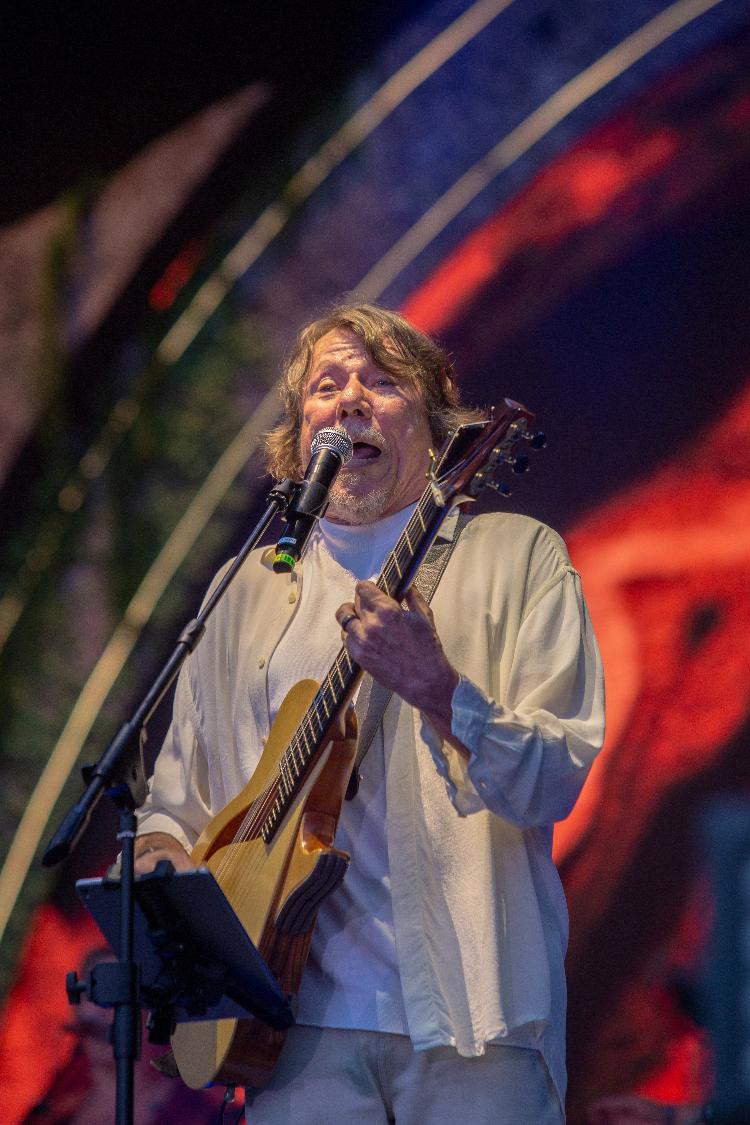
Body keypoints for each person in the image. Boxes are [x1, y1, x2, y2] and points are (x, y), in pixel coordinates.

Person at [133, 302, 605, 1124]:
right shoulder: (243, 591)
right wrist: (167, 886)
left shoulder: (519, 557)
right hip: (289, 1027)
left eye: (382, 382)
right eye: (327, 384)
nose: (351, 399)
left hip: (472, 1022)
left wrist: (441, 690)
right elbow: (175, 802)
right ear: (299, 430)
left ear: (433, 424)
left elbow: (555, 777)